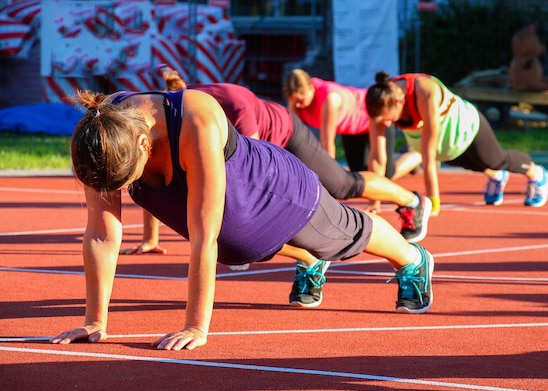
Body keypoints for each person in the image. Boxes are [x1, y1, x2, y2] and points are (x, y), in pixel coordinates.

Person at [51, 87, 434, 351]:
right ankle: (309, 262)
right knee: (236, 248)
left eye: (127, 180)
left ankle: (413, 259)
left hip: (276, 188)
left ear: (143, 144)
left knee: (341, 233)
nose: (122, 193)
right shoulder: (98, 137)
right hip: (234, 208)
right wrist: (94, 321)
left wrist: (195, 326)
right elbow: (102, 234)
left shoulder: (194, 120)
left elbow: (204, 236)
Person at [122, 67, 431, 261]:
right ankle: (310, 259)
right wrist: (151, 238)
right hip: (260, 152)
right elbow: (158, 180)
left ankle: (412, 200)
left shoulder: (224, 108)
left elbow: (252, 165)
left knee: (342, 185)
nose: (298, 103)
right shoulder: (167, 119)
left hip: (285, 136)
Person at [365, 71, 548, 214]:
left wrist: (433, 203)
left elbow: (429, 158)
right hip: (446, 144)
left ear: (399, 102)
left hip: (466, 126)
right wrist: (375, 201)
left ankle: (537, 173)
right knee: (462, 161)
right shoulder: (379, 104)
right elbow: (377, 157)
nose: (387, 125)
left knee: (494, 160)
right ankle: (497, 177)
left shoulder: (425, 92)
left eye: (389, 120)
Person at [283, 69, 422, 212]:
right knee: (361, 175)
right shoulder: (295, 102)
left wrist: (327, 185)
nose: (299, 105)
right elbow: (294, 139)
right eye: (294, 101)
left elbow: (327, 142)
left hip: (373, 119)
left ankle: (417, 155)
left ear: (311, 88)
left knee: (386, 174)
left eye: (301, 100)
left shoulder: (330, 98)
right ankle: (402, 157)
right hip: (350, 131)